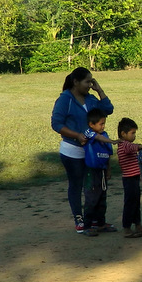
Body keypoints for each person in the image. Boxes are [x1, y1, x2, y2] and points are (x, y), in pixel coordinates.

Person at [50, 67, 114, 234]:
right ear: (75, 82)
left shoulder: (91, 99)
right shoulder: (65, 99)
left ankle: (94, 220)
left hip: (91, 151)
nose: (89, 85)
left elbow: (108, 109)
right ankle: (79, 218)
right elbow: (56, 124)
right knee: (77, 185)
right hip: (72, 151)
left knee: (93, 187)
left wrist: (99, 89)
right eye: (87, 81)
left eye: (91, 81)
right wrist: (77, 135)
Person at [81, 108, 118, 236]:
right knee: (91, 199)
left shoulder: (105, 135)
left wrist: (108, 169)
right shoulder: (88, 132)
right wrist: (112, 141)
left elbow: (108, 154)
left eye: (104, 123)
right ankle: (87, 225)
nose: (103, 126)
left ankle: (101, 223)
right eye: (101, 123)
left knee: (102, 198)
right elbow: (97, 137)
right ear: (92, 124)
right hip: (92, 171)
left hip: (102, 171)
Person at [115, 118, 142, 238]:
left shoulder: (127, 144)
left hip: (134, 177)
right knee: (130, 203)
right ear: (123, 134)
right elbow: (132, 148)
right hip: (129, 178)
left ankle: (137, 223)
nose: (134, 136)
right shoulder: (124, 145)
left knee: (136, 202)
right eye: (132, 133)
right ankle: (126, 226)